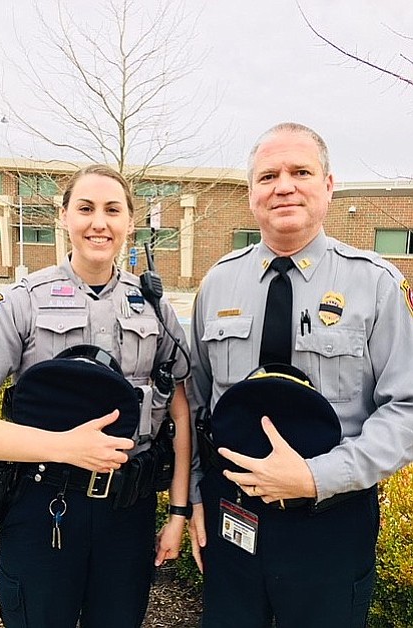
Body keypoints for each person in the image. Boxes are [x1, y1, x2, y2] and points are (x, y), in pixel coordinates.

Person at [187, 122, 413, 628]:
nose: (283, 185)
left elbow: (407, 408)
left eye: (300, 171)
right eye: (268, 175)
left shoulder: (377, 285)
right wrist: (199, 496)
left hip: (330, 523)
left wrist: (314, 477)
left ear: (328, 186)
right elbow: (196, 403)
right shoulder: (219, 283)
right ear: (251, 194)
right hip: (233, 518)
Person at [0, 164, 191, 628]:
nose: (99, 222)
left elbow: (181, 408)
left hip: (128, 512)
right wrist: (64, 447)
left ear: (129, 222)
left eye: (112, 210)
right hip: (45, 507)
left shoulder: (156, 307)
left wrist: (178, 510)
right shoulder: (25, 301)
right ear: (63, 217)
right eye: (85, 208)